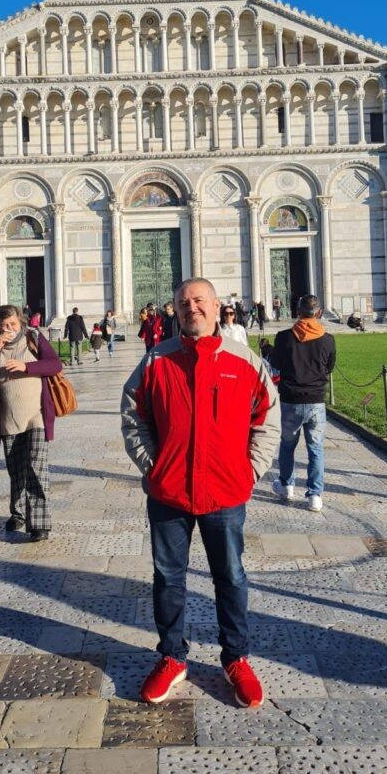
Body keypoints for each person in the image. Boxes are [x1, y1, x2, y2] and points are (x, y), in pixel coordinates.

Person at [122, 277, 279, 708]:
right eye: (183, 302)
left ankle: (236, 658)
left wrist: (249, 471)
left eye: (199, 301)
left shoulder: (245, 362)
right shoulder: (157, 361)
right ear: (174, 310)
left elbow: (267, 421)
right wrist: (154, 466)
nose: (192, 308)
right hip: (169, 493)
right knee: (167, 578)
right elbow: (133, 415)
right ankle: (172, 657)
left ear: (216, 307)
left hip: (226, 493)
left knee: (230, 577)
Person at [0, 304, 62, 540]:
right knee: (16, 469)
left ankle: (39, 524)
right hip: (8, 418)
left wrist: (26, 366)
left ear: (21, 322)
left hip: (37, 416)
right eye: (3, 326)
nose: (9, 329)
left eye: (12, 324)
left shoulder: (33, 337)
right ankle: (19, 512)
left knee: (36, 467)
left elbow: (54, 364)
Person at [270, 294, 336, 512]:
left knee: (287, 445)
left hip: (290, 401)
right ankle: (315, 495)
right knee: (315, 449)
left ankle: (287, 485)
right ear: (318, 313)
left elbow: (276, 363)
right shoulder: (328, 340)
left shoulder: (284, 337)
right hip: (316, 401)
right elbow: (329, 367)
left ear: (298, 312)